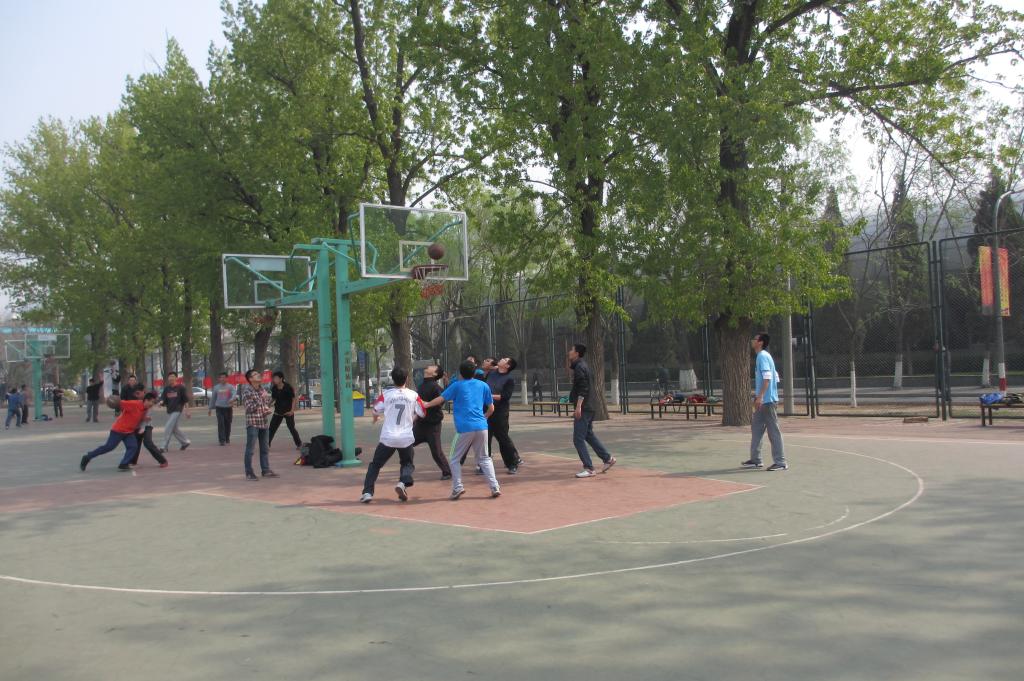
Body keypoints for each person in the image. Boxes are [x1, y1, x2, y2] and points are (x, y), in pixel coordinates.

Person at [423, 360, 501, 500]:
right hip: (482, 427)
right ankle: (494, 487)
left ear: (460, 373)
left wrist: (427, 404)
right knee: (484, 458)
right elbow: (491, 409)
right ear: (474, 372)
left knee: (454, 459)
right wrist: (483, 418)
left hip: (464, 428)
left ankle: (457, 487)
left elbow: (441, 399)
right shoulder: (483, 385)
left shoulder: (457, 386)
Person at [359, 367, 425, 503]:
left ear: (393, 380)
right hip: (405, 438)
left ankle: (367, 493)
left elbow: (375, 409)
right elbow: (422, 413)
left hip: (388, 437)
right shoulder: (413, 395)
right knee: (407, 464)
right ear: (407, 379)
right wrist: (412, 419)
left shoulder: (386, 394)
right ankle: (402, 483)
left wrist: (375, 418)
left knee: (375, 465)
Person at [568, 343, 617, 478]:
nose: (569, 351)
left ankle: (589, 468)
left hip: (585, 407)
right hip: (590, 406)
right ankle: (607, 458)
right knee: (588, 434)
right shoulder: (583, 366)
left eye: (572, 349)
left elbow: (584, 388)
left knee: (578, 439)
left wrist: (579, 406)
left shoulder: (580, 367)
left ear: (577, 353)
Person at [79, 392, 159, 472]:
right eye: (151, 402)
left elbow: (138, 417)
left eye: (153, 402)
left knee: (133, 446)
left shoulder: (145, 409)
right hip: (118, 430)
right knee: (108, 447)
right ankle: (87, 457)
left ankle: (123, 464)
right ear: (146, 400)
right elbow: (119, 403)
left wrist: (145, 419)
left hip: (129, 432)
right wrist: (111, 401)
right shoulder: (134, 404)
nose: (152, 404)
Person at [742, 332, 788, 471]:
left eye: (755, 339)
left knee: (773, 431)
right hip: (763, 401)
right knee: (756, 428)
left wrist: (760, 397)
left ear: (760, 342)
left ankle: (781, 462)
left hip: (767, 402)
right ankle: (756, 460)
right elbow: (775, 377)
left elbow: (768, 378)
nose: (752, 340)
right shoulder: (764, 356)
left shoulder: (762, 356)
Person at [411, 364, 451, 479]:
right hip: (420, 424)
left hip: (433, 426)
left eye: (432, 367)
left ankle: (447, 472)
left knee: (436, 452)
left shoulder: (436, 387)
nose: (428, 367)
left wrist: (428, 404)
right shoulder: (421, 385)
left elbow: (441, 400)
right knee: (407, 442)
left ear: (434, 373)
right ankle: (407, 466)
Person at [240, 368, 278, 481]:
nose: (259, 375)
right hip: (253, 423)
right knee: (250, 449)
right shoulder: (247, 391)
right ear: (250, 379)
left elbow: (265, 405)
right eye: (255, 374)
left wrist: (267, 407)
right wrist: (261, 399)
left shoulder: (262, 389)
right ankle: (249, 473)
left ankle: (265, 470)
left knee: (265, 448)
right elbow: (249, 408)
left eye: (258, 373)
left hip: (263, 423)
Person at [487, 357, 523, 474]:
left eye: (505, 359)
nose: (502, 359)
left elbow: (505, 396)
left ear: (507, 366)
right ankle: (484, 464)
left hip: (500, 413)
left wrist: (489, 396)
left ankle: (512, 464)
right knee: (485, 438)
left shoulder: (509, 379)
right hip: (487, 411)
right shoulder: (492, 373)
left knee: (503, 439)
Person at [158, 372, 192, 451]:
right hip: (169, 410)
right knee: (174, 429)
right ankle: (185, 442)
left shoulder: (181, 388)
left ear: (176, 378)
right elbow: (163, 398)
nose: (171, 378)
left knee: (168, 427)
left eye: (173, 376)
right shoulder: (167, 389)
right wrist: (161, 402)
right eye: (170, 377)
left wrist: (187, 411)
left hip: (177, 410)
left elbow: (186, 400)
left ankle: (164, 446)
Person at [268, 371, 302, 450]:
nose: (274, 380)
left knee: (291, 428)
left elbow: (293, 399)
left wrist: (292, 411)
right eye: (273, 378)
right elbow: (273, 398)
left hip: (288, 411)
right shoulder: (274, 388)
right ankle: (266, 444)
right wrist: (267, 405)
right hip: (278, 411)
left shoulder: (288, 387)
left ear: (281, 379)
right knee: (272, 428)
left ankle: (299, 444)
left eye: (276, 378)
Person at [208, 372, 236, 445]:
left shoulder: (230, 387)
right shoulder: (216, 387)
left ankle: (227, 438)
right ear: (219, 379)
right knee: (221, 424)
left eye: (224, 377)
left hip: (228, 408)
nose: (222, 379)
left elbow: (234, 394)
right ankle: (222, 440)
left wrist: (232, 399)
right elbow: (213, 398)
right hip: (219, 408)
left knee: (228, 423)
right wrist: (210, 408)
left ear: (227, 378)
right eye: (221, 377)